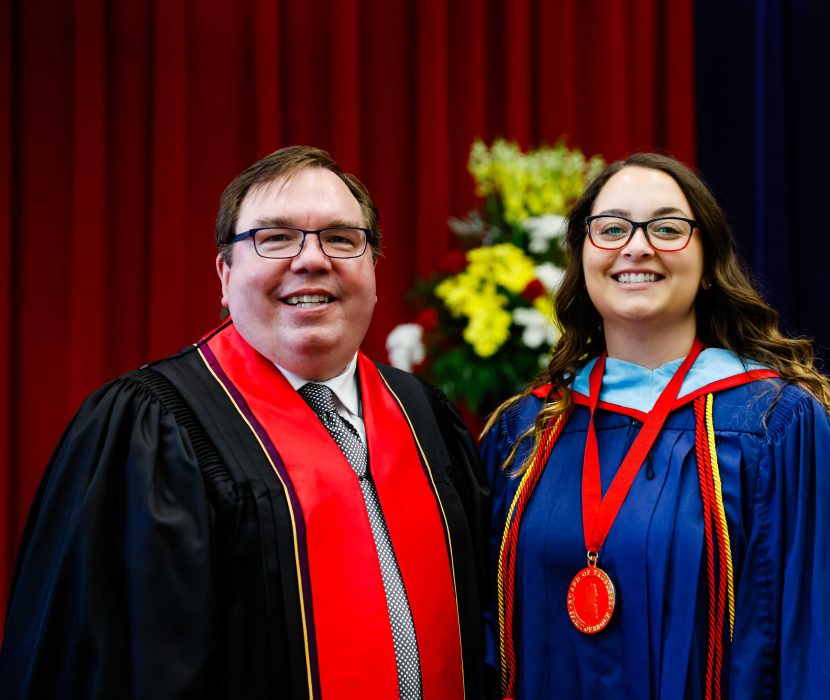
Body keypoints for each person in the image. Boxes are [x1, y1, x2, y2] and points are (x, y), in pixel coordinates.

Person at [0, 146, 489, 700]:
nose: (311, 260)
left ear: (373, 267)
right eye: (275, 238)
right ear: (224, 273)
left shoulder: (425, 419)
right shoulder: (152, 429)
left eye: (340, 238)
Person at [481, 153, 830, 699]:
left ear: (708, 265)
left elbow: (829, 646)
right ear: (583, 258)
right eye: (611, 229)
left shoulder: (776, 427)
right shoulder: (525, 432)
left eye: (667, 228)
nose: (636, 247)